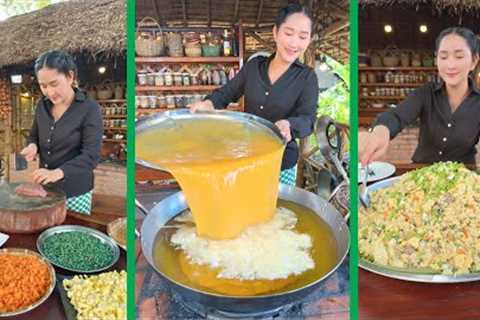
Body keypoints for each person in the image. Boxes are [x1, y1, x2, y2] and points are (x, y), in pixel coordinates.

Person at [190, 3, 319, 186]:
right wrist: (209, 104)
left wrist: (288, 124)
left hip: (281, 162)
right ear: (275, 32)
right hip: (247, 156)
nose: (294, 43)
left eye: (302, 37)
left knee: (277, 212)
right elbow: (227, 93)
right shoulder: (254, 67)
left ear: (308, 41)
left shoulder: (307, 77)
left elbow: (309, 119)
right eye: (288, 33)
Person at [359, 27, 480, 166]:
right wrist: (379, 133)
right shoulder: (425, 93)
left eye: (459, 56)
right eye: (443, 56)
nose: (450, 65)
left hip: (463, 179)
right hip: (422, 173)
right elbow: (397, 116)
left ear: (473, 61)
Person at [21, 50, 103, 214]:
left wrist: (58, 173)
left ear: (70, 76)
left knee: (72, 234)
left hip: (75, 191)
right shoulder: (42, 105)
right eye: (43, 86)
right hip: (46, 188)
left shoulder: (89, 108)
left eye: (54, 84)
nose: (49, 92)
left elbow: (91, 156)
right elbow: (34, 135)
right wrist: (32, 146)